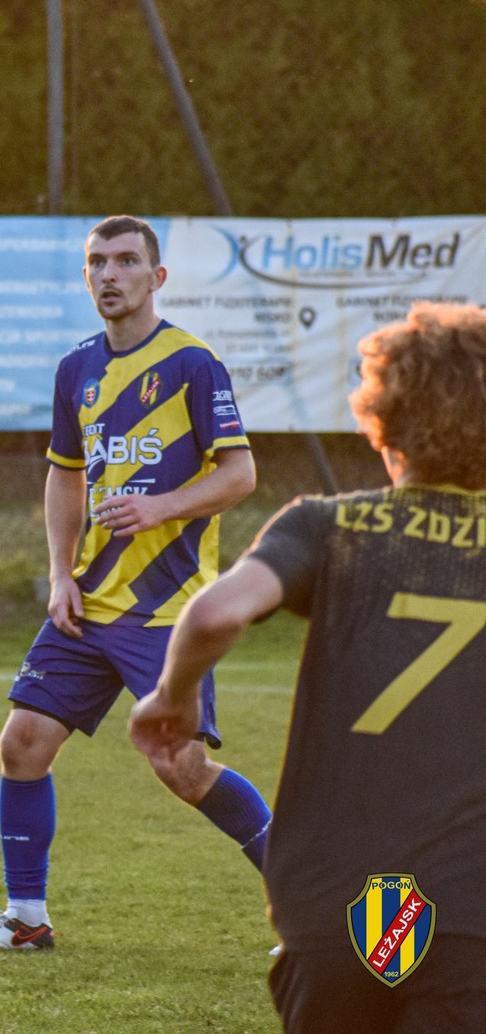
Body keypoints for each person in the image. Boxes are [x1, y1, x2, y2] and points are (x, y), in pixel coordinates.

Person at [132, 302, 486, 1031]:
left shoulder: (328, 524)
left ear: (382, 422)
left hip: (339, 903)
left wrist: (173, 696)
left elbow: (214, 613)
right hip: (467, 904)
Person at [0, 215, 271, 952]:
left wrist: (159, 505)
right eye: (97, 262)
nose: (109, 274)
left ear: (157, 278)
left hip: (167, 608)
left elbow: (240, 474)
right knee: (23, 741)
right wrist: (60, 573)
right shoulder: (76, 369)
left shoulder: (192, 363)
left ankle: (301, 898)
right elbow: (64, 479)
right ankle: (26, 917)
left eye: (127, 260)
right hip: (87, 602)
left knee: (180, 766)